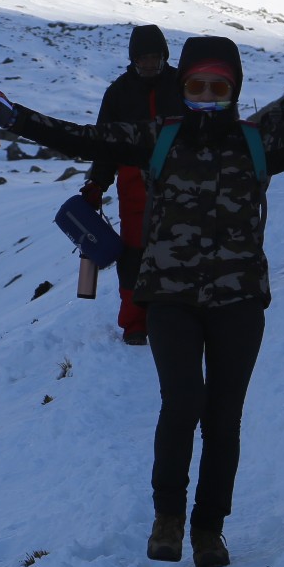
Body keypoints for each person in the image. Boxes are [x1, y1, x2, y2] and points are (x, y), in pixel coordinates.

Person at [0, 35, 284, 567]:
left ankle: (210, 530)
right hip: (169, 297)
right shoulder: (159, 137)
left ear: (234, 90)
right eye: (196, 86)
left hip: (239, 300)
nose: (206, 97)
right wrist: (15, 118)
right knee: (182, 404)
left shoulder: (258, 141)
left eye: (218, 87)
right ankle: (167, 520)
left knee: (223, 419)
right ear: (182, 87)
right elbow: (87, 138)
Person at [80, 24, 179, 346]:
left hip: (181, 182)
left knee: (179, 249)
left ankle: (180, 316)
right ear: (133, 59)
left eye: (155, 57)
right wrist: (98, 182)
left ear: (164, 56)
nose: (150, 64)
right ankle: (135, 323)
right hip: (133, 186)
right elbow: (105, 143)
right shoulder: (119, 92)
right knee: (135, 254)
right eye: (143, 58)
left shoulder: (183, 84)